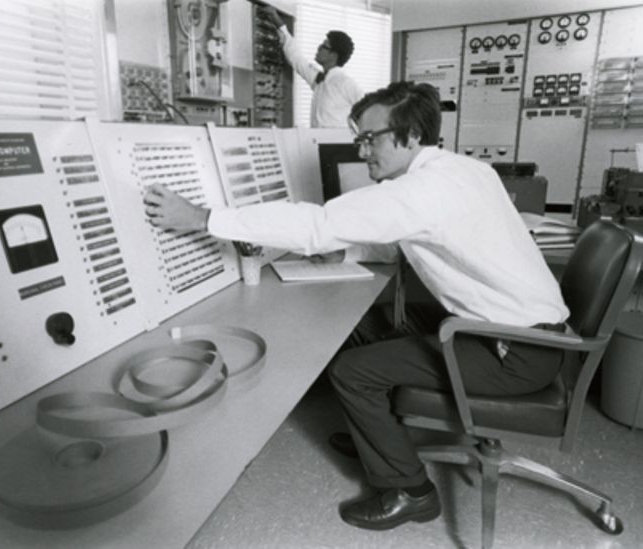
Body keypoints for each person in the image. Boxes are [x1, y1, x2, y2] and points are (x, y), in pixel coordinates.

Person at [143, 81, 569, 533]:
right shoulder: (460, 171)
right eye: (359, 139)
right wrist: (346, 252)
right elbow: (419, 238)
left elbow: (317, 224)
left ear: (410, 136)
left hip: (514, 351)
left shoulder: (422, 190)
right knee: (370, 325)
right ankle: (379, 437)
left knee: (353, 371)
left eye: (370, 139)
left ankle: (411, 491)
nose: (362, 151)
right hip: (512, 330)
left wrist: (204, 218)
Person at [265, 6, 363, 128]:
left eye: (324, 46)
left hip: (337, 140)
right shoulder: (319, 80)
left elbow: (369, 113)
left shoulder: (346, 84)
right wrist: (280, 25)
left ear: (333, 55)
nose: (318, 48)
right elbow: (296, 58)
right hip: (316, 139)